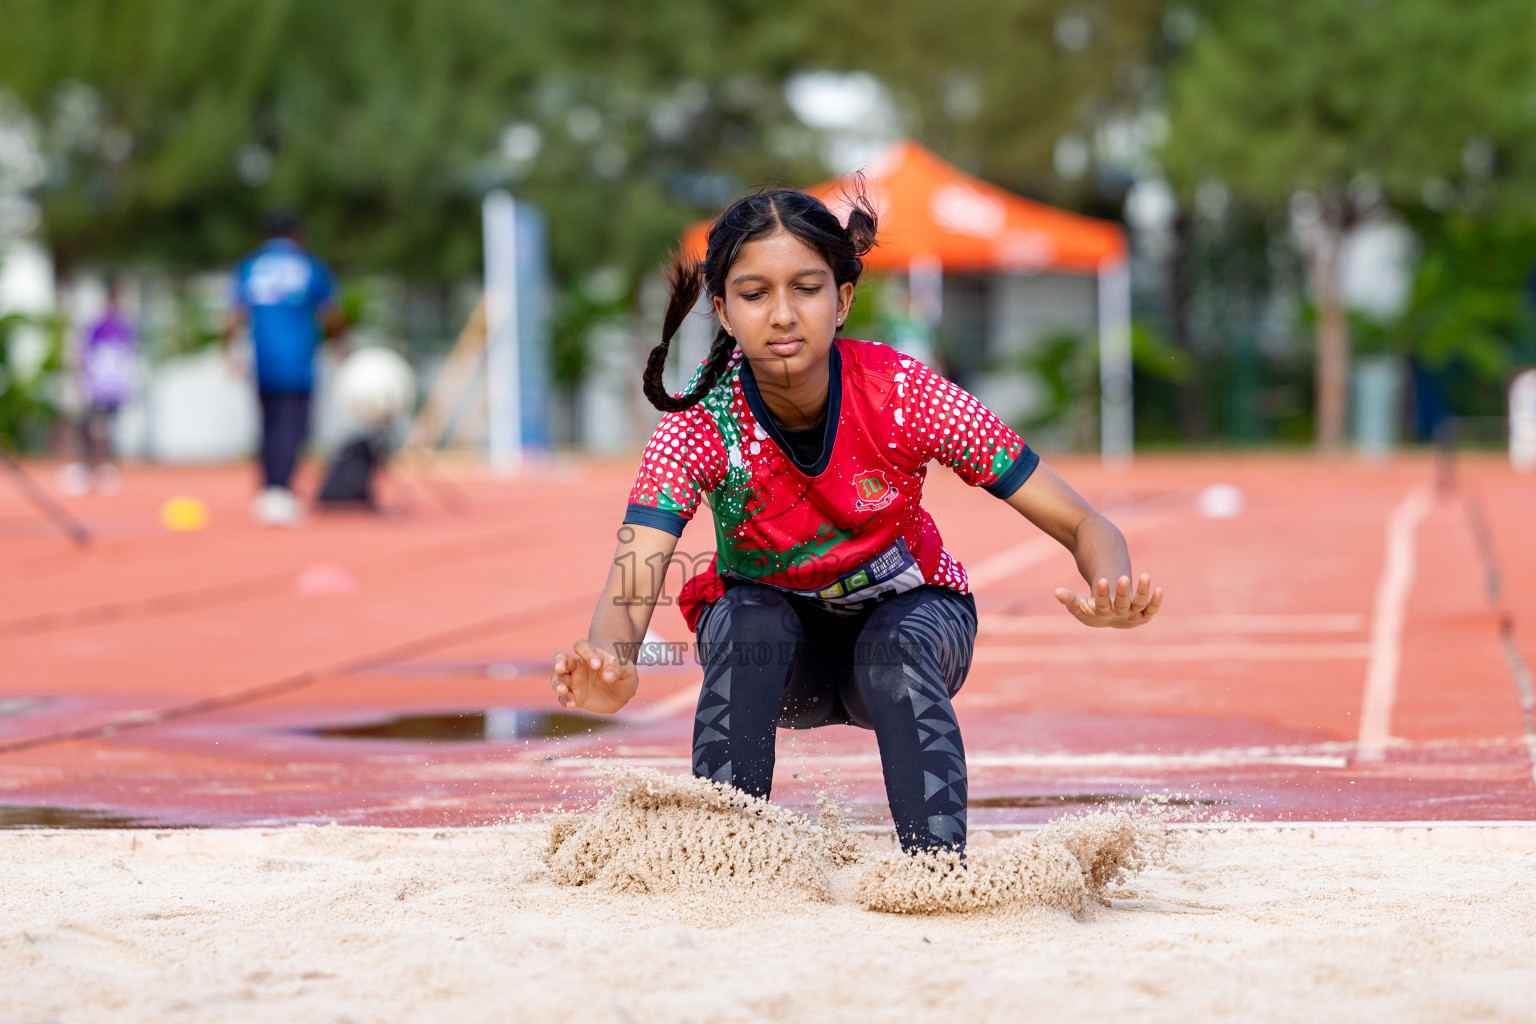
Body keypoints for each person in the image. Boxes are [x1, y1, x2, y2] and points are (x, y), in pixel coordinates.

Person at [550, 189, 1162, 857]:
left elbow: (1085, 523)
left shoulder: (903, 394)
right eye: (754, 294)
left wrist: (1113, 585)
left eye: (806, 289)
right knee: (743, 620)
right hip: (785, 661)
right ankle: (723, 862)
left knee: (891, 649)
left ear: (841, 300)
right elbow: (632, 579)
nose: (783, 315)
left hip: (912, 628)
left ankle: (936, 872)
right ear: (723, 311)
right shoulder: (699, 421)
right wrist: (611, 664)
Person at [222, 212, 344, 526]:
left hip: (263, 360)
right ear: (297, 233)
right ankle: (282, 491)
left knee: (269, 425)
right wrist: (340, 345)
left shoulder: (250, 266)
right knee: (294, 428)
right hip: (299, 361)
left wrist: (229, 352)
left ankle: (269, 490)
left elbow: (233, 316)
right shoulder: (310, 266)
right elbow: (331, 313)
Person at [62, 277, 137, 497]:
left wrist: (128, 383)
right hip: (97, 383)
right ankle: (88, 468)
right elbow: (83, 353)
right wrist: (82, 380)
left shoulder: (125, 326)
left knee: (110, 428)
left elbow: (128, 356)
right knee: (89, 425)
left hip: (115, 385)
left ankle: (107, 468)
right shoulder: (96, 324)